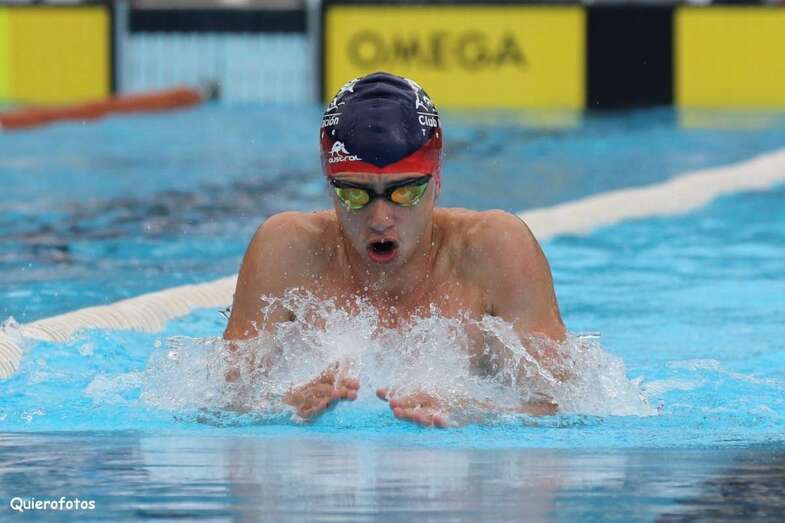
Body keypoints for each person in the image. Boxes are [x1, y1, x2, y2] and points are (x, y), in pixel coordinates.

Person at [224, 72, 566, 428]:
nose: (380, 218)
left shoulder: (496, 250)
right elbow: (219, 401)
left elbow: (565, 407)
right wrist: (284, 405)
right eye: (354, 194)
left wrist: (472, 411)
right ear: (329, 185)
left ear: (437, 180)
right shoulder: (287, 251)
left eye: (405, 192)